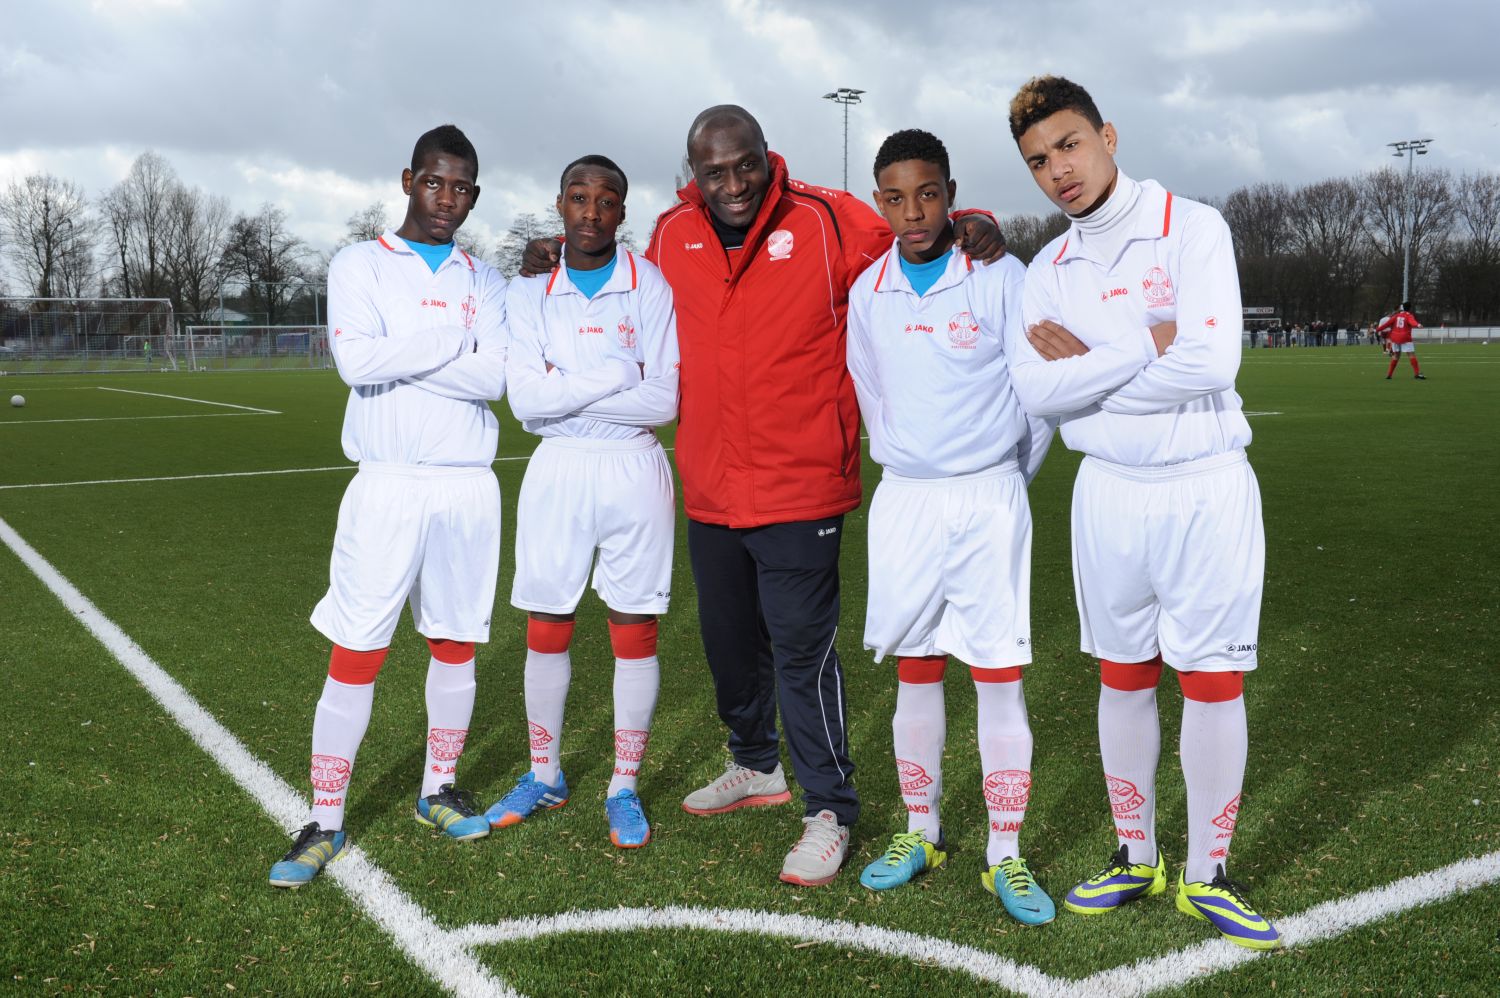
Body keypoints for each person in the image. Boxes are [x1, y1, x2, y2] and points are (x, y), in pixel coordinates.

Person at [523, 105, 1006, 886]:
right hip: (712, 483)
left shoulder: (823, 217)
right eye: (715, 171)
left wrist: (976, 220)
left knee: (801, 652)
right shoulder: (671, 238)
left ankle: (830, 808)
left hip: (801, 479)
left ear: (765, 155)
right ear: (694, 176)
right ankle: (754, 763)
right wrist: (556, 251)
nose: (734, 183)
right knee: (727, 643)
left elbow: (913, 232)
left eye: (745, 163)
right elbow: (619, 279)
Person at [1004, 76, 1280, 949]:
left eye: (1070, 145)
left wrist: (1090, 379)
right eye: (1039, 160)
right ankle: (1135, 855)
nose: (1059, 170)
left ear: (1108, 135)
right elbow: (1035, 393)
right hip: (1110, 496)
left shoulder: (1192, 228)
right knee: (1122, 673)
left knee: (1210, 679)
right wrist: (1137, 347)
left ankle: (1209, 874)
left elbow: (1209, 361)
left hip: (1204, 484)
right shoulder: (1047, 268)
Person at [268, 125, 508, 888]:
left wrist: (408, 352)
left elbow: (495, 378)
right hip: (388, 482)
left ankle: (436, 788)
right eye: (436, 183)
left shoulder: (488, 278)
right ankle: (325, 821)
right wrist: (449, 340)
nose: (449, 199)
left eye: (463, 187)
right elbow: (356, 361)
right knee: (358, 650)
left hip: (468, 483)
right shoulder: (359, 263)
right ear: (409, 180)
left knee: (455, 641)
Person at [845, 129, 1056, 924]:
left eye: (928, 193)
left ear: (951, 190)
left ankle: (1005, 851)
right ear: (879, 202)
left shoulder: (1002, 276)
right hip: (905, 500)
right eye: (895, 197)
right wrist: (922, 470)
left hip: (988, 500)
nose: (913, 211)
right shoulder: (869, 292)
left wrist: (1000, 479)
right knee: (917, 669)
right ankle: (920, 830)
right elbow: (873, 396)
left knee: (999, 673)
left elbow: (1038, 402)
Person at [484, 155, 679, 849]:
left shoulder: (649, 285)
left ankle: (623, 785)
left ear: (622, 211)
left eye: (606, 200)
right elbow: (529, 407)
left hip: (633, 470)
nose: (591, 212)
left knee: (634, 625)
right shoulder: (529, 290)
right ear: (559, 204)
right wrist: (620, 370)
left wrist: (575, 383)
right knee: (548, 621)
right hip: (558, 470)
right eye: (578, 198)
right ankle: (546, 773)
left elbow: (666, 399)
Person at [1377, 302, 1426, 379]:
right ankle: (1417, 374)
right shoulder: (1408, 315)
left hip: (1395, 338)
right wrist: (1418, 325)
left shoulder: (1396, 316)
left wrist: (1377, 329)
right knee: (1411, 355)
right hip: (1405, 338)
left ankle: (1389, 374)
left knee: (1396, 356)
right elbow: (1412, 322)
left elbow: (1386, 324)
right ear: (1410, 308)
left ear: (1402, 308)